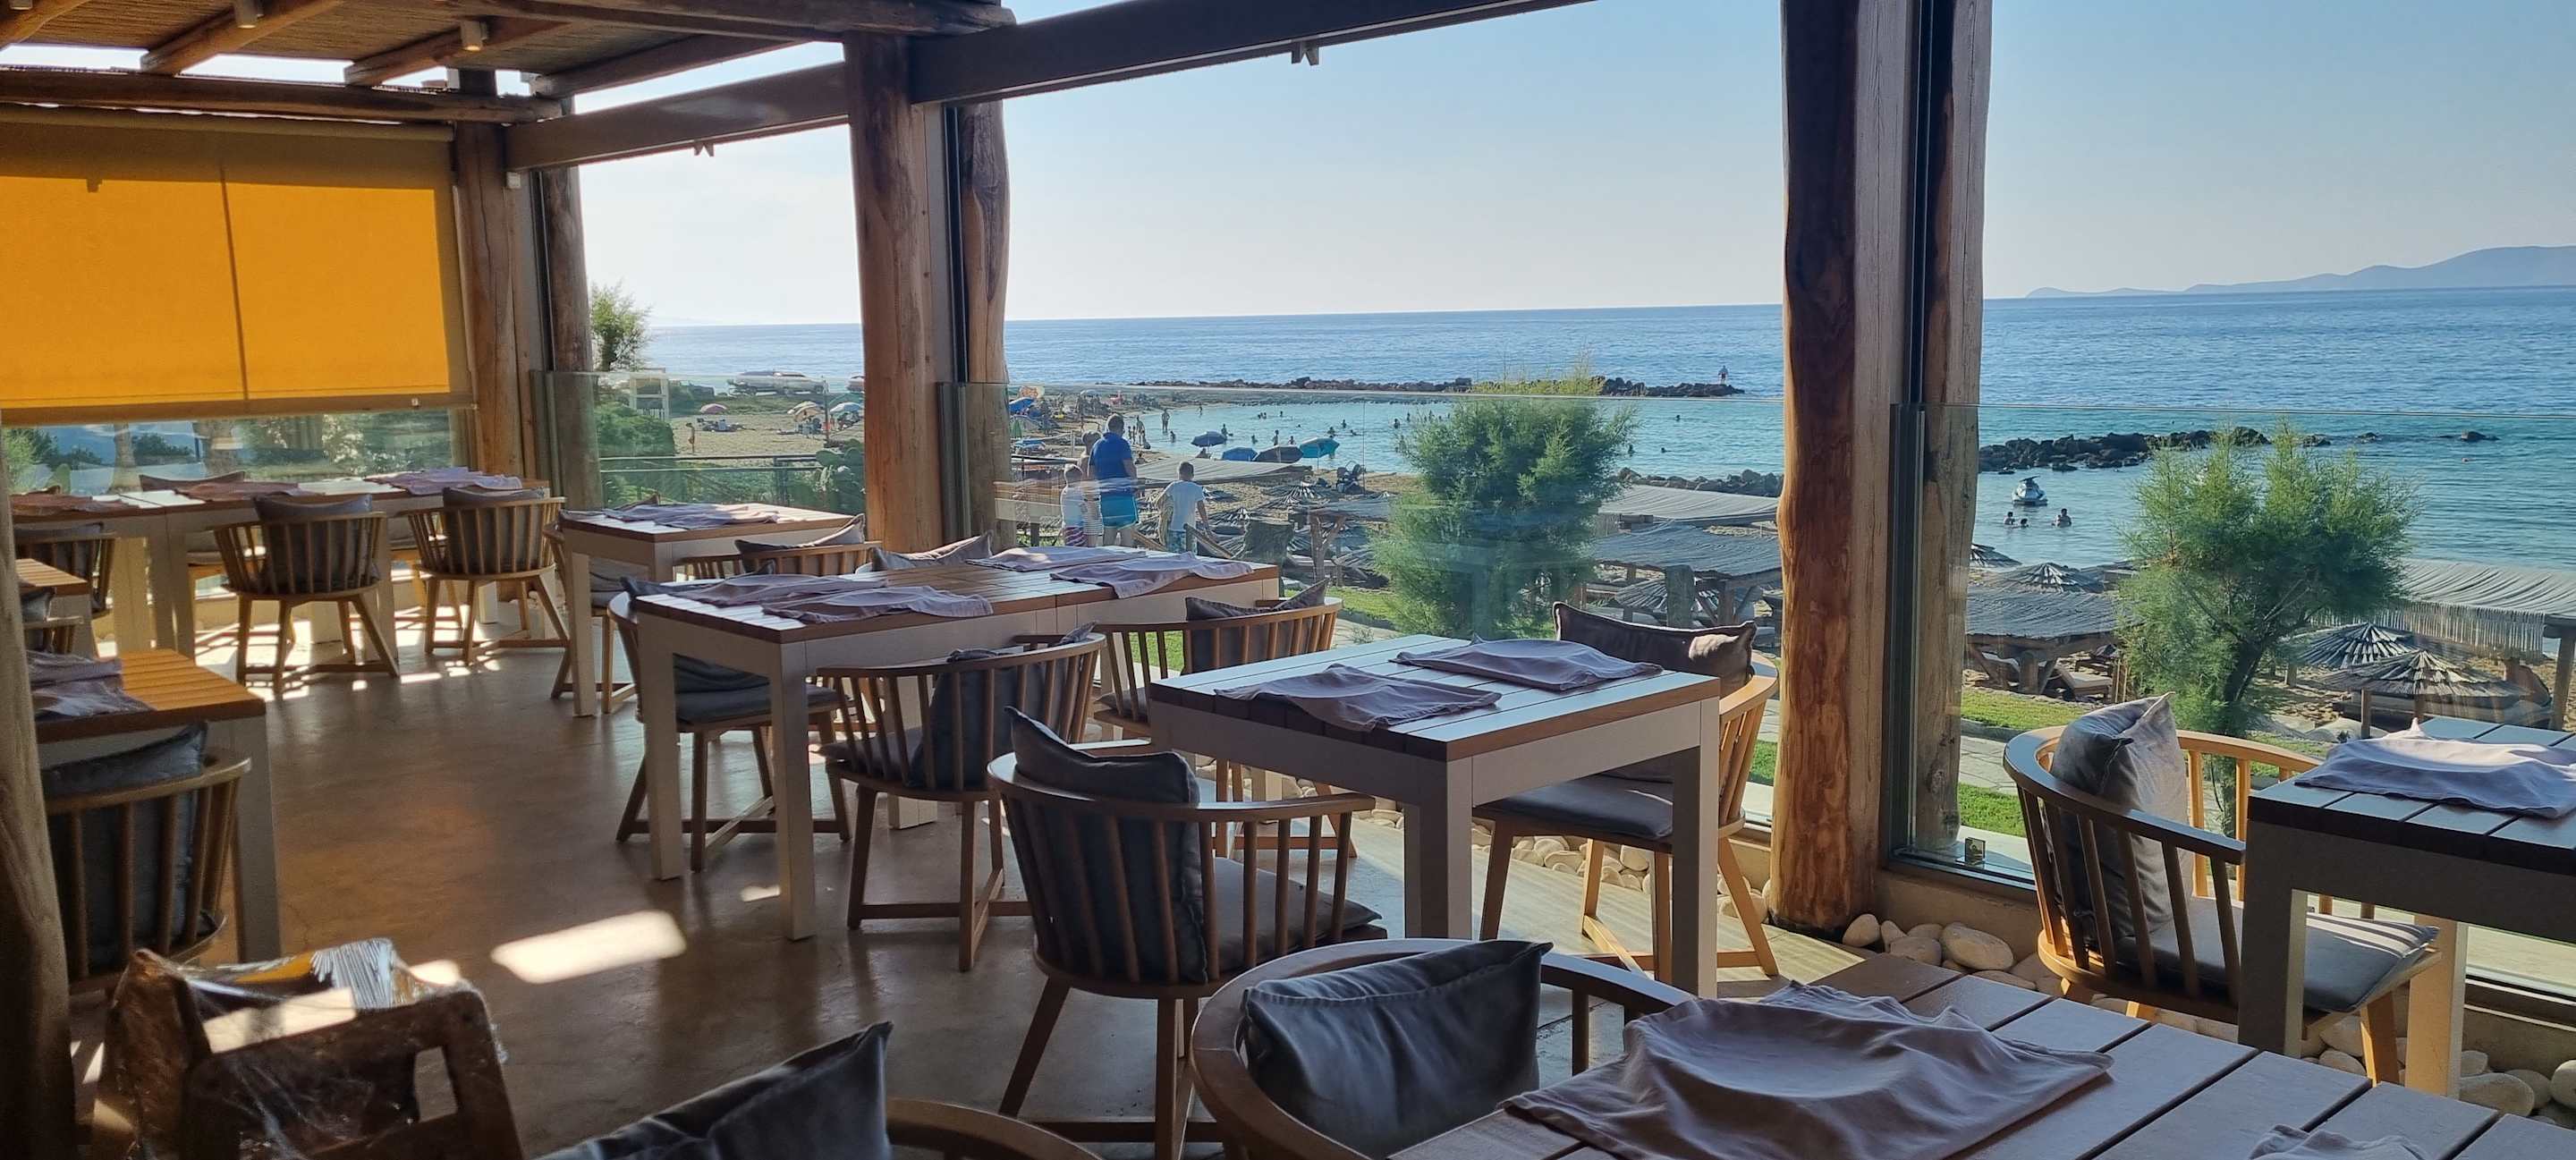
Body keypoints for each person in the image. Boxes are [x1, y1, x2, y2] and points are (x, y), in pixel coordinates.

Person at [1090, 415, 1138, 546]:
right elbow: (1129, 466)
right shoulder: (1122, 443)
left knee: (1109, 535)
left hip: (1106, 498)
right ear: (1121, 429)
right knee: (1127, 540)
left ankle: (1106, 559)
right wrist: (1135, 484)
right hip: (1123, 496)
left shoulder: (1097, 445)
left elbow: (1091, 473)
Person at [1159, 461, 1207, 553]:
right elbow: (1201, 508)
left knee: (1174, 557)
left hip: (1173, 528)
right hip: (1189, 530)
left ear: (1179, 473)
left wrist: (1165, 511)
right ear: (1192, 475)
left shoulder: (1173, 486)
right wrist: (1206, 527)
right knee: (1190, 556)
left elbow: (1159, 501)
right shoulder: (1196, 488)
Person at [1058, 464, 1092, 546]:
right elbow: (1083, 508)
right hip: (1077, 527)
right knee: (1080, 548)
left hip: (1066, 526)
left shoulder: (1064, 491)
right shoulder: (1076, 493)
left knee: (1070, 547)